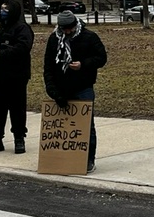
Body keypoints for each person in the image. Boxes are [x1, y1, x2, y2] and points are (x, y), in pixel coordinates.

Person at [43, 10, 108, 172]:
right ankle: (63, 159)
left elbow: (101, 58)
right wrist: (53, 91)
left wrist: (83, 65)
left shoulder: (89, 37)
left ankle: (88, 159)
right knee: (63, 128)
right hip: (61, 88)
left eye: (70, 28)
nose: (67, 32)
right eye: (64, 29)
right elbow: (48, 66)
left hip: (83, 87)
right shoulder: (53, 40)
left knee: (86, 126)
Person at [0, 0, 34, 155]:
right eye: (1, 9)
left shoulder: (22, 28)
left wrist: (2, 54)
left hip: (16, 77)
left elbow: (23, 48)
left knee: (17, 110)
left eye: (6, 10)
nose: (2, 12)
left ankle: (19, 139)